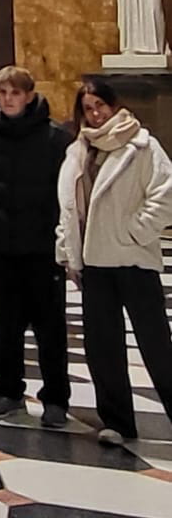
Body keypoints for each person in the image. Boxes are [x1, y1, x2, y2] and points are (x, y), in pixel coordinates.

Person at [56, 74, 172, 445]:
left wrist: (136, 231)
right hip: (94, 264)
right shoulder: (78, 152)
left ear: (114, 105)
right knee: (102, 347)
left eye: (100, 106)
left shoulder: (142, 145)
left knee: (156, 344)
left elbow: (164, 194)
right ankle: (118, 421)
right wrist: (68, 252)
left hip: (133, 259)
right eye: (88, 109)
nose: (95, 115)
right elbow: (70, 208)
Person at [0, 64, 71, 428]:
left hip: (43, 247)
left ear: (29, 96)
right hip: (2, 244)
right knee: (4, 325)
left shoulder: (55, 138)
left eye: (15, 93)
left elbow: (67, 194)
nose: (8, 99)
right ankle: (8, 392)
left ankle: (56, 399)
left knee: (50, 328)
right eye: (2, 93)